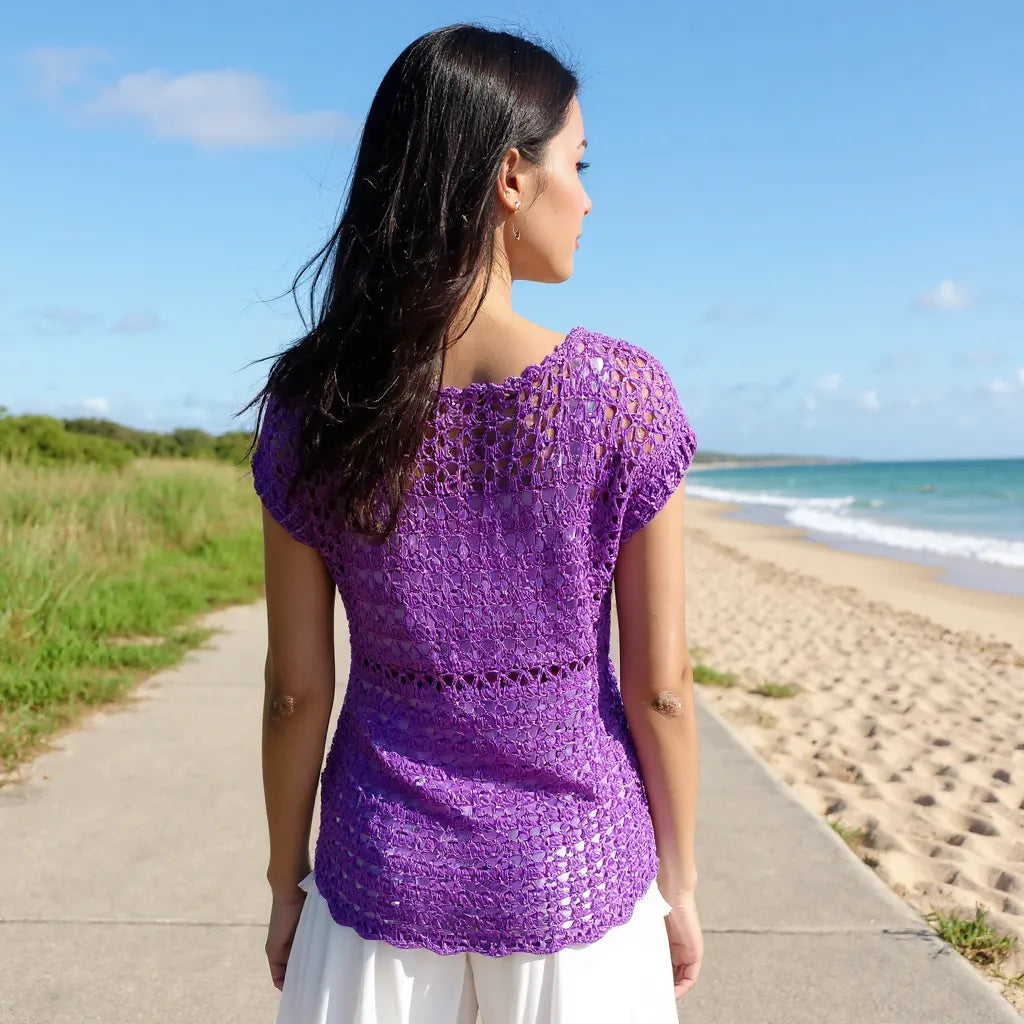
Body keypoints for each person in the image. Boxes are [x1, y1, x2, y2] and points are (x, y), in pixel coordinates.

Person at [244, 21, 703, 1024]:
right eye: (576, 164)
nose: (588, 196)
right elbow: (661, 690)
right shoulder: (621, 397)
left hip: (376, 886)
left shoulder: (315, 403)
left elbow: (294, 690)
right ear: (509, 177)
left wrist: (286, 884)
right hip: (577, 886)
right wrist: (682, 882)